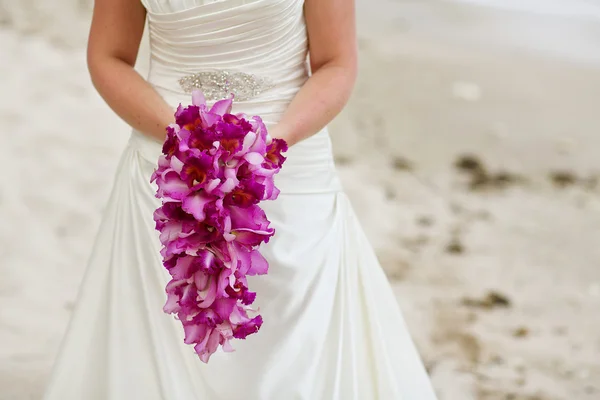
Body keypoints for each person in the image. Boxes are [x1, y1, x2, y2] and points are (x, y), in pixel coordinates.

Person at [43, 0, 439, 399]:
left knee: (295, 325)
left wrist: (271, 146)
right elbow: (108, 56)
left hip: (287, 162)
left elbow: (336, 62)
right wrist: (183, 140)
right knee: (161, 327)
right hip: (170, 166)